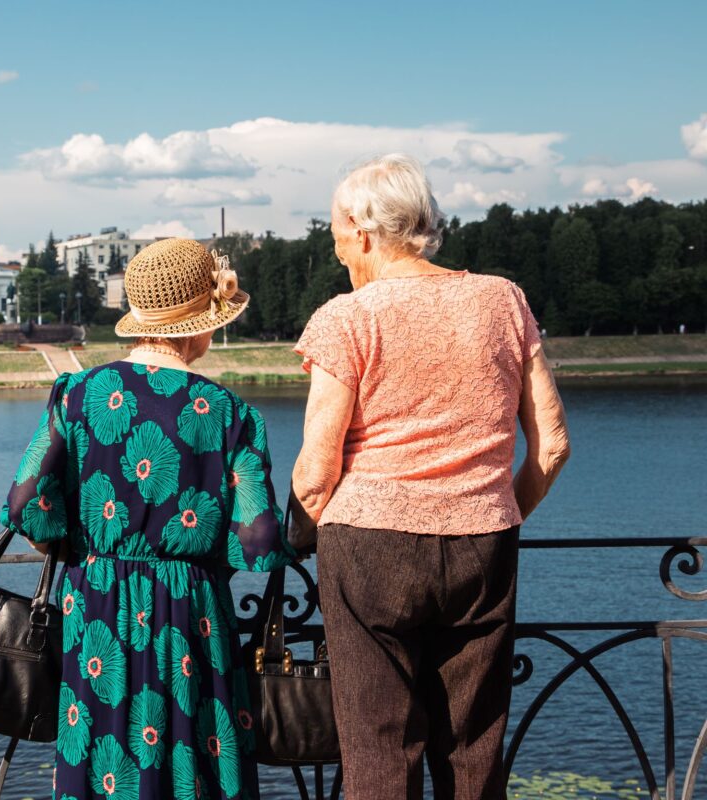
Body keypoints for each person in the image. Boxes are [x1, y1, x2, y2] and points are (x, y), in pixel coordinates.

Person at [289, 154, 571, 799]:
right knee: (473, 749)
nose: (335, 250)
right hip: (484, 543)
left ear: (361, 229)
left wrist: (301, 534)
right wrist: (491, 510)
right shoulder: (502, 299)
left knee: (378, 748)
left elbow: (314, 474)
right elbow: (551, 446)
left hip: (369, 544)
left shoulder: (346, 318)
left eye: (335, 233)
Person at [2, 238, 295, 799]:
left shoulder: (76, 395)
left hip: (98, 608)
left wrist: (80, 548)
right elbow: (258, 540)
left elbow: (25, 504)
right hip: (192, 612)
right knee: (195, 761)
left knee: (104, 758)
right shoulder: (231, 413)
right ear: (197, 324)